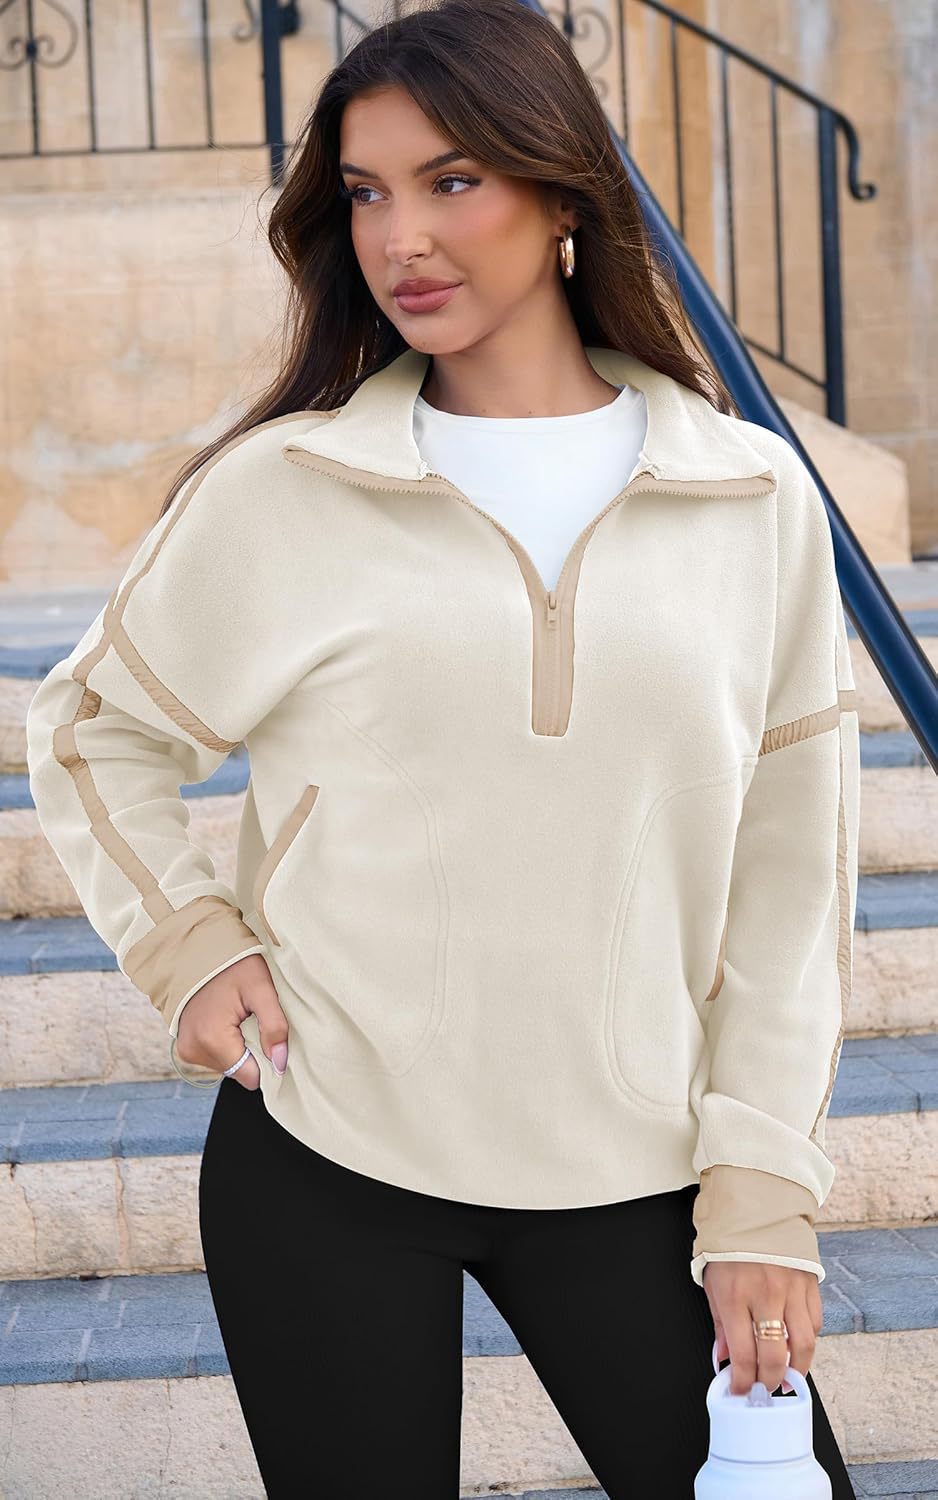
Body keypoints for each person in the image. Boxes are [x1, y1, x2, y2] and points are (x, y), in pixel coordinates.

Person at [25, 0, 860, 1494]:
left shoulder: (750, 498)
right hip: (327, 1151)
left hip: (645, 1169)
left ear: (563, 196)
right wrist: (188, 942)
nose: (400, 236)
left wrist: (762, 1190)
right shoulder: (287, 488)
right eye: (365, 193)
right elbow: (93, 728)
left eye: (452, 180)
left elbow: (790, 881)